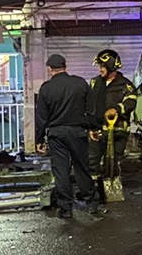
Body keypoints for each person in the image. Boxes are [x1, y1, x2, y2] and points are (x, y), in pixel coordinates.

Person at [36, 54, 101, 218]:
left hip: (56, 134)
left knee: (61, 171)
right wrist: (93, 128)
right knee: (82, 167)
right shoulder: (80, 83)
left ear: (50, 68)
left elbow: (41, 118)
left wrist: (39, 139)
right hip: (78, 132)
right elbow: (90, 109)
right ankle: (92, 203)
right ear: (65, 66)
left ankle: (65, 208)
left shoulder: (46, 88)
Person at [87, 49, 138, 200]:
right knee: (93, 160)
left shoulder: (126, 86)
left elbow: (131, 102)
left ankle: (112, 184)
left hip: (118, 131)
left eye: (102, 66)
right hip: (98, 130)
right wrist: (91, 127)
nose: (100, 69)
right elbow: (90, 106)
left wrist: (116, 110)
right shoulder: (95, 83)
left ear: (111, 66)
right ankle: (95, 191)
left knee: (113, 159)